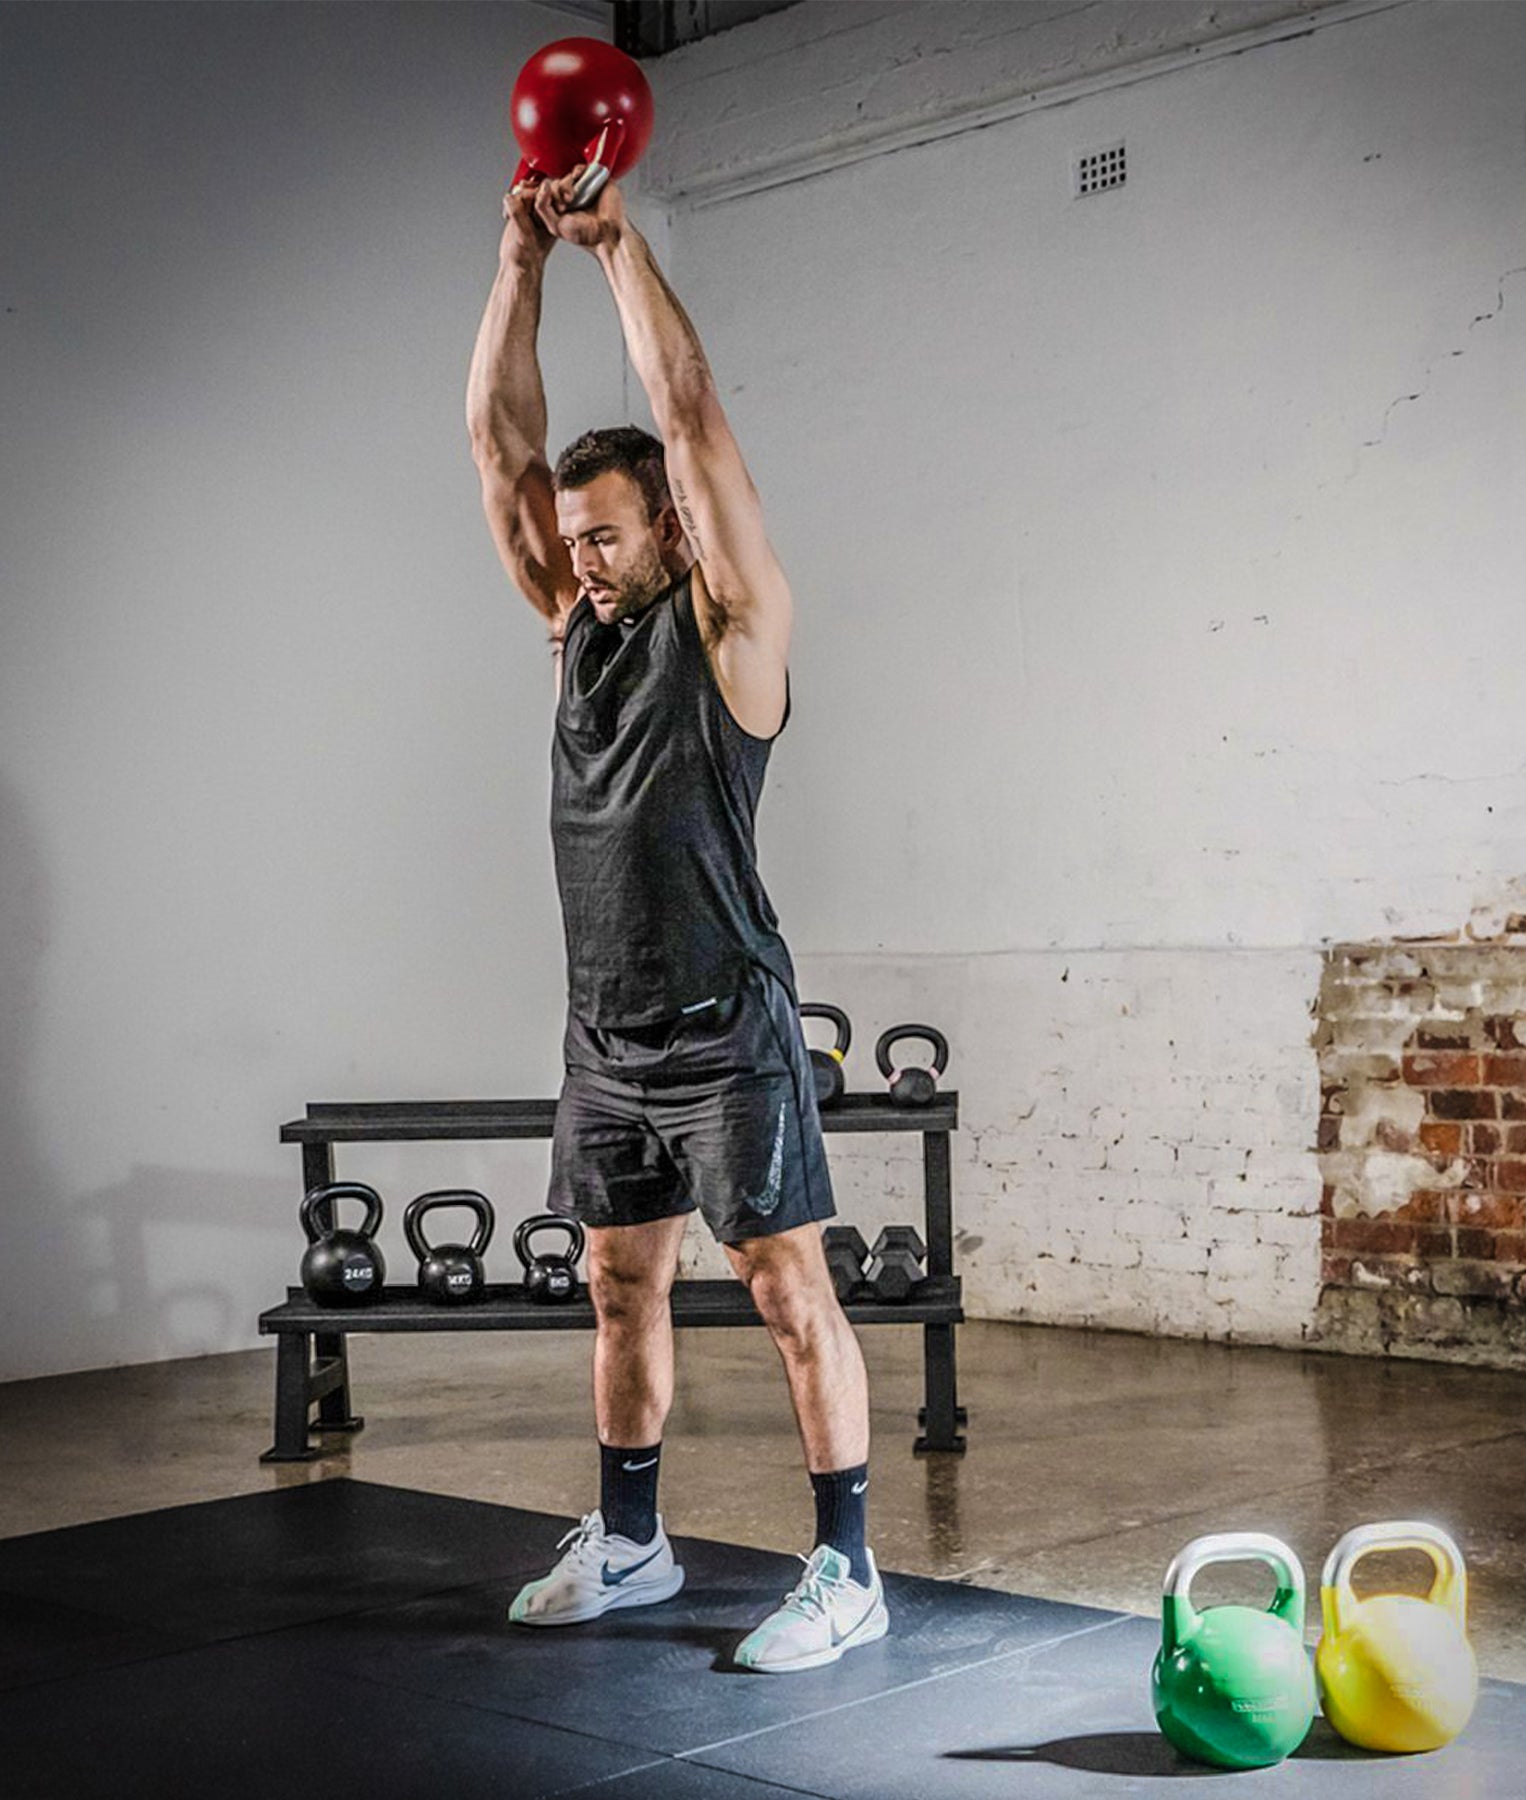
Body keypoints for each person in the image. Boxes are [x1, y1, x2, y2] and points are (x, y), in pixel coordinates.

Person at [464, 165, 885, 1673]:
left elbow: (694, 418)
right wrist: (517, 261)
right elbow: (499, 444)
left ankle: (846, 1570)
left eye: (607, 533)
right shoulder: (573, 628)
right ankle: (633, 1542)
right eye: (571, 536)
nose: (579, 555)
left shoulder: (731, 632)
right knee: (618, 1282)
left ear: (673, 532)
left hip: (726, 1027)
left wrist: (613, 246)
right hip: (606, 1035)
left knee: (786, 1290)